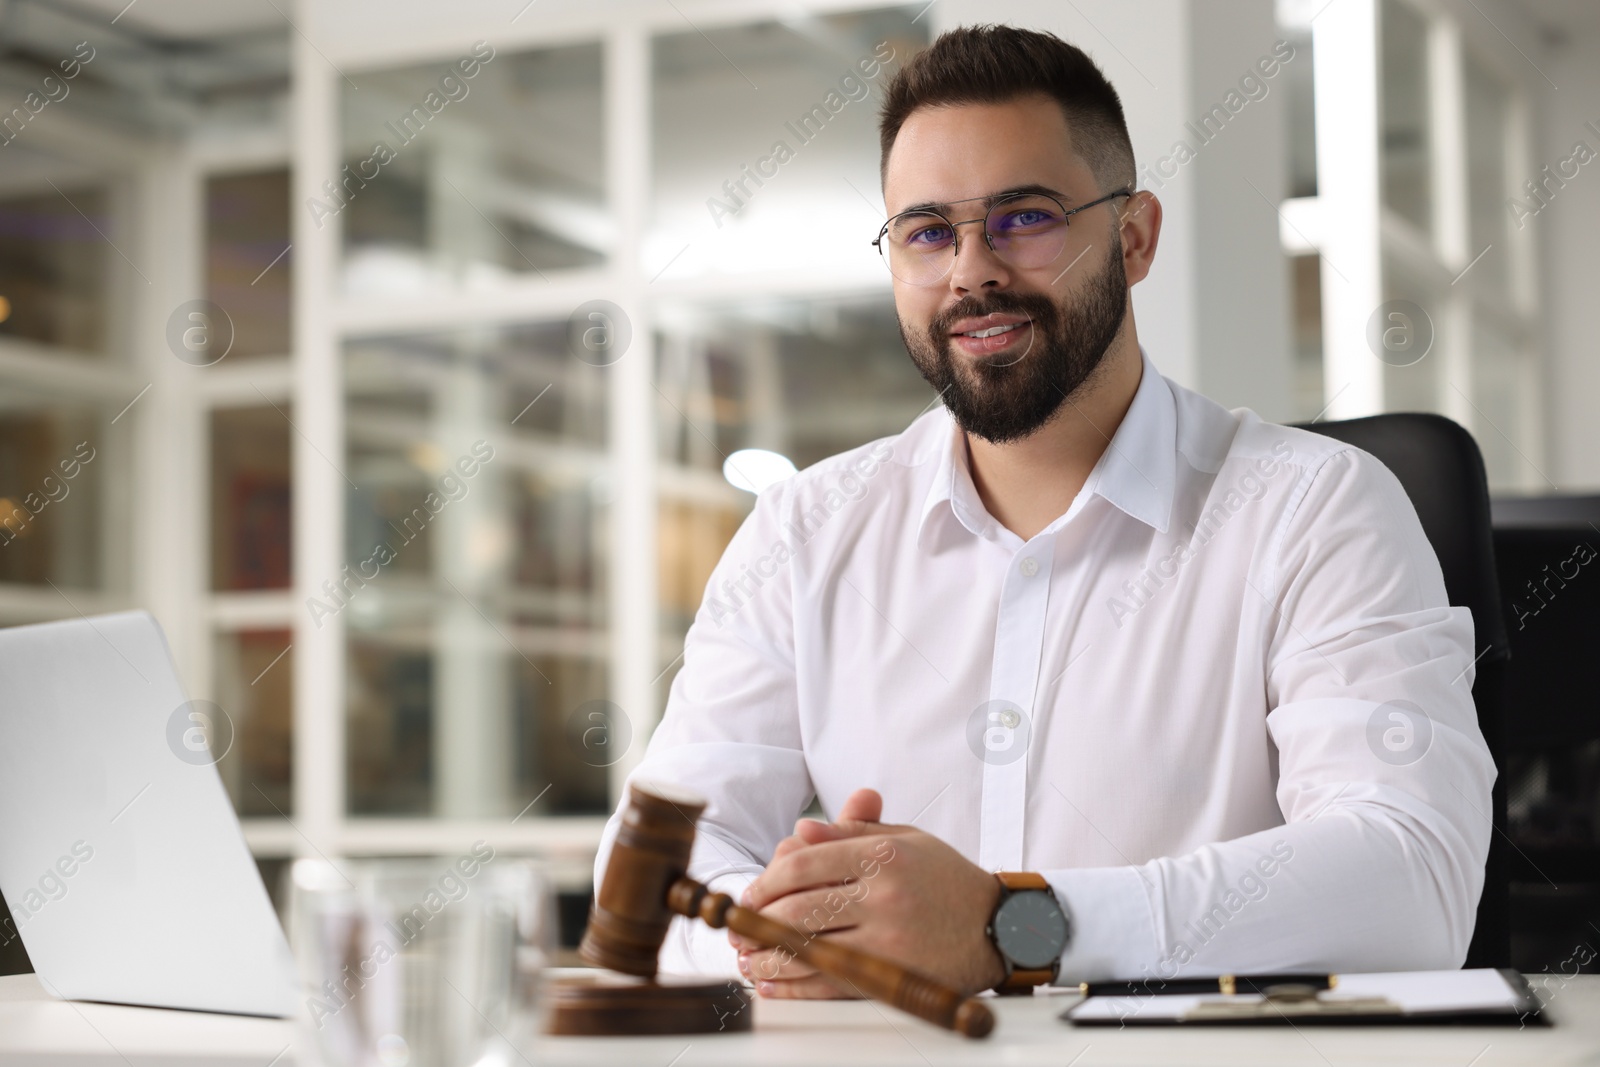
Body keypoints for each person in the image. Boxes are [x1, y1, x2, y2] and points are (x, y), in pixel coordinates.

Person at [594, 23, 1494, 998]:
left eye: (1023, 218)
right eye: (926, 231)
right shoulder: (801, 531)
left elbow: (1411, 877)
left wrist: (1013, 923)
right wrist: (798, 932)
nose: (969, 270)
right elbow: (650, 867)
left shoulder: (1316, 509)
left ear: (1135, 236)